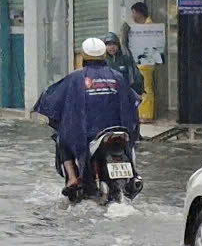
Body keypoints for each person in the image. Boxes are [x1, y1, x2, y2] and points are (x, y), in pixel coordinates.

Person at [33, 36, 142, 199]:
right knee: (129, 143)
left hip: (86, 134)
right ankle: (134, 173)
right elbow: (133, 100)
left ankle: (72, 178)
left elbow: (53, 98)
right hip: (118, 131)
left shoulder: (76, 78)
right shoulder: (117, 77)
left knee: (62, 139)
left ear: (83, 56)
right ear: (103, 55)